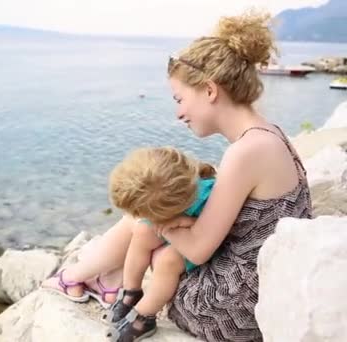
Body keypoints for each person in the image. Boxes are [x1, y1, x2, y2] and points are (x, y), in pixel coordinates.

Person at [42, 9, 312, 341]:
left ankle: (81, 279)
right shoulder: (268, 133)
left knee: (145, 216)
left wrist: (158, 220)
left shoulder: (246, 152)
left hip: (234, 306)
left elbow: (197, 251)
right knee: (158, 211)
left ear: (210, 91)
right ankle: (99, 279)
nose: (178, 113)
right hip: (264, 282)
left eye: (180, 98)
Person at [101, 147, 216, 340]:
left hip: (203, 243)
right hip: (176, 227)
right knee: (141, 230)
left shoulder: (211, 195)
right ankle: (131, 291)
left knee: (168, 261)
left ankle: (145, 316)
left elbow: (217, 229)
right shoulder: (174, 187)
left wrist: (188, 222)